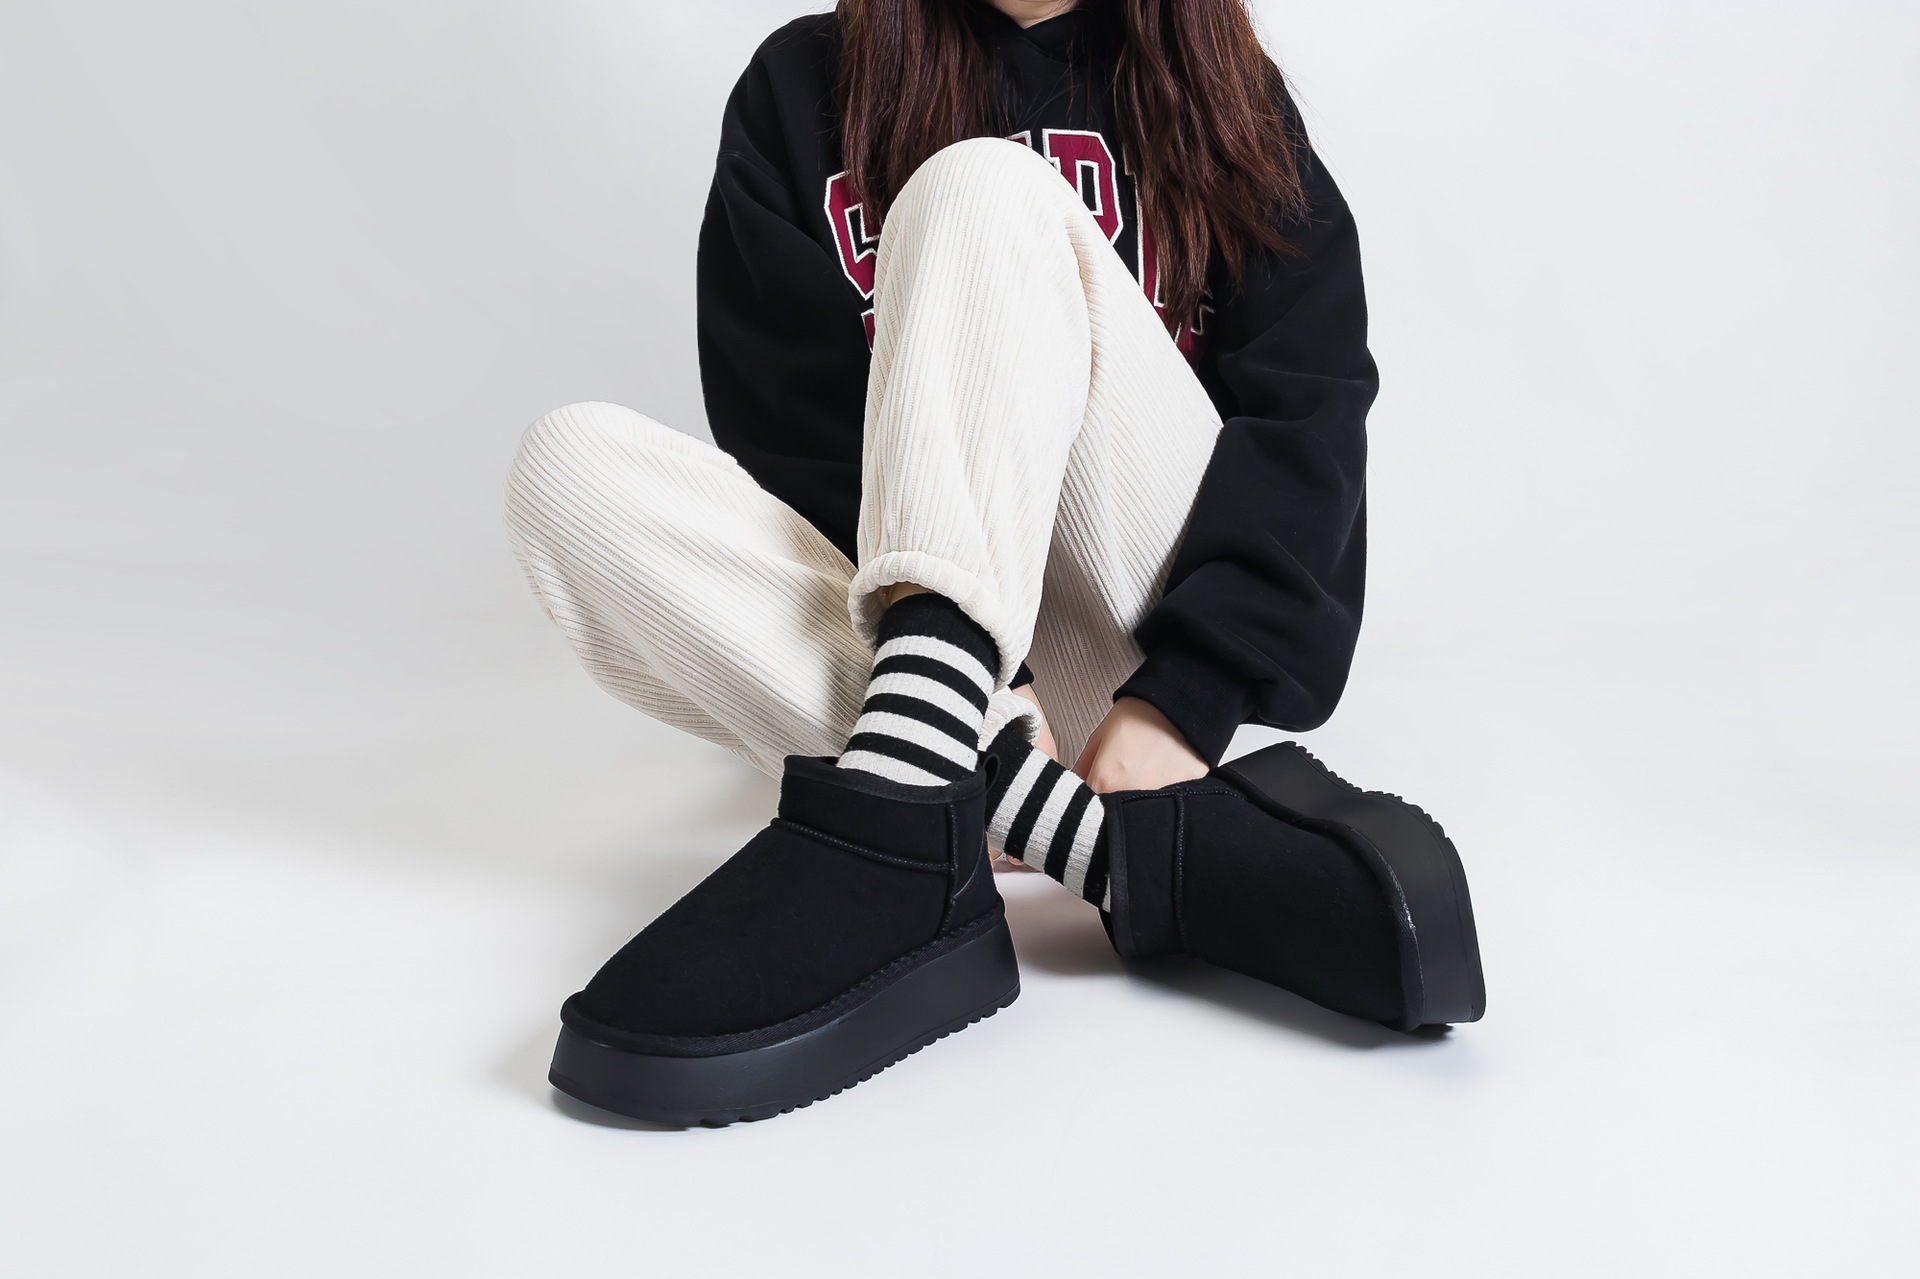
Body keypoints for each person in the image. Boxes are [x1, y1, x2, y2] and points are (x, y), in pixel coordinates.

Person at [508, 0, 1484, 1126]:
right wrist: (984, 685)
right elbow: (793, 456)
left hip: (1136, 651)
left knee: (979, 185)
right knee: (566, 471)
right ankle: (1089, 842)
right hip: (936, 668)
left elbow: (1306, 415)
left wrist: (1183, 700)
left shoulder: (1220, 89)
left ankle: (913, 805)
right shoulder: (801, 86)